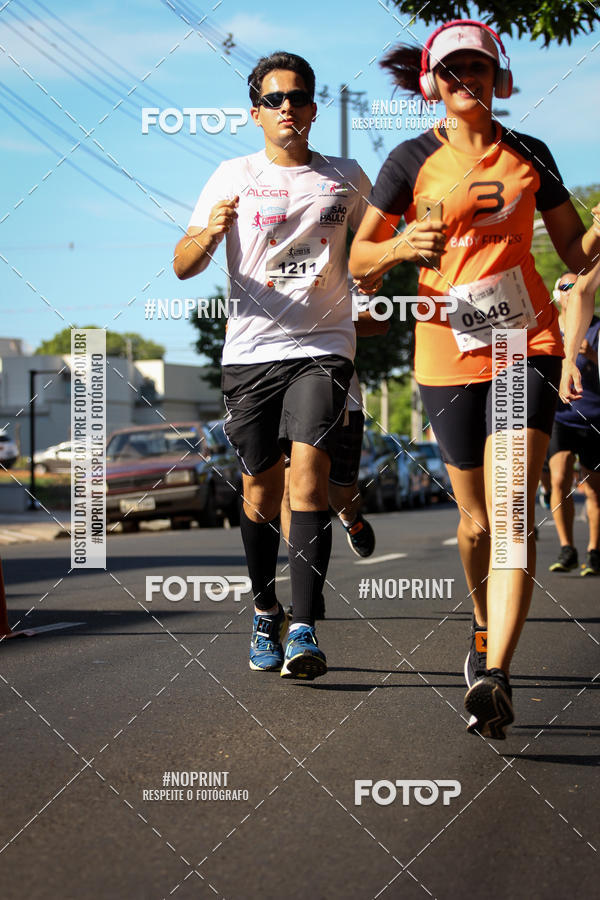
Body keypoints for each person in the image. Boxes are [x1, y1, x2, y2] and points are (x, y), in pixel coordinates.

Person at [349, 19, 600, 738]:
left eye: (479, 69)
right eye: (453, 70)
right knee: (478, 521)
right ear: (433, 81)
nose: (467, 81)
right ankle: (482, 626)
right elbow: (358, 261)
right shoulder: (409, 160)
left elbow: (573, 252)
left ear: (500, 79)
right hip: (444, 351)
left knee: (515, 510)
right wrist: (400, 244)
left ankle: (497, 676)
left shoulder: (530, 154)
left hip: (526, 343)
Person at [174, 51, 375, 680]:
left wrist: (374, 296)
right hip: (251, 353)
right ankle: (266, 609)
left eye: (299, 98)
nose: (288, 107)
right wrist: (209, 232)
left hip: (323, 347)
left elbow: (369, 251)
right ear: (256, 111)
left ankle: (306, 628)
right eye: (276, 98)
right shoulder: (231, 174)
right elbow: (182, 264)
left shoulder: (347, 177)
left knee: (307, 482)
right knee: (260, 490)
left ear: (313, 109)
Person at [548, 274, 600, 576]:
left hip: (594, 416)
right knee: (559, 479)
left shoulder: (596, 328)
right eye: (566, 286)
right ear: (558, 295)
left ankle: (594, 550)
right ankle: (567, 548)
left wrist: (592, 356)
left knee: (594, 490)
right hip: (560, 416)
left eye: (577, 285)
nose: (573, 290)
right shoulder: (549, 329)